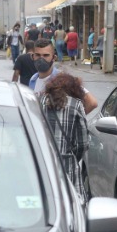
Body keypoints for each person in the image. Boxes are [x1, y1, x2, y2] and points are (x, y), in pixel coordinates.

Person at [41, 71, 90, 199]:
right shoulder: (76, 105)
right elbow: (82, 144)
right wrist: (71, 156)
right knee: (72, 204)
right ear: (74, 89)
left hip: (42, 164)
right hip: (67, 167)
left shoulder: (39, 101)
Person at [29, 40, 98, 113]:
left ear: (54, 58)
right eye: (38, 55)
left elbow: (92, 103)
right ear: (33, 56)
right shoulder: (33, 80)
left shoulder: (63, 80)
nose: (41, 59)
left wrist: (75, 119)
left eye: (46, 55)